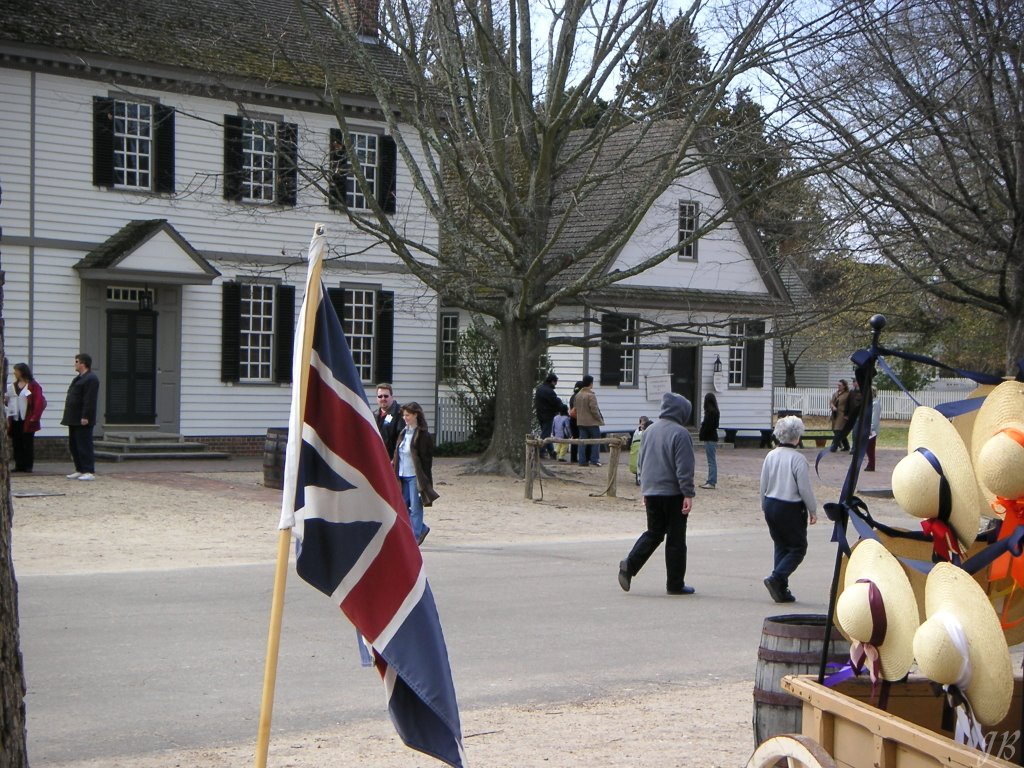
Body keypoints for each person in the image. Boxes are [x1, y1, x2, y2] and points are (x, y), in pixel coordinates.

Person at [618, 392, 697, 595]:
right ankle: (675, 583)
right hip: (673, 493)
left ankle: (630, 564)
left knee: (654, 533)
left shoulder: (650, 431)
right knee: (676, 538)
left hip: (652, 490)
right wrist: (688, 493)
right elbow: (684, 468)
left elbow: (642, 461)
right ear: (682, 412)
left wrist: (645, 488)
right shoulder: (680, 434)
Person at [761, 416, 818, 603]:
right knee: (798, 547)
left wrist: (764, 504)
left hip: (771, 502)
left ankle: (780, 587)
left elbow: (764, 483)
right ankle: (777, 578)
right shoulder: (798, 459)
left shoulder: (771, 455)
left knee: (780, 544)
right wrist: (813, 509)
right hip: (790, 506)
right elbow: (804, 488)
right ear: (798, 437)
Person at [392, 401, 439, 545]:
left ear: (416, 415)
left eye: (408, 415)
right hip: (401, 475)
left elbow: (426, 460)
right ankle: (422, 528)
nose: (405, 418)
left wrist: (425, 481)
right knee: (401, 506)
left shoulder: (423, 434)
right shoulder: (403, 432)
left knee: (415, 508)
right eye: (404, 415)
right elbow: (398, 452)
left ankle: (415, 538)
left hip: (415, 476)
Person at [61, 353, 100, 481]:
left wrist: (85, 416)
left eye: (77, 361)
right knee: (74, 444)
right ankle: (80, 468)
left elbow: (89, 399)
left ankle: (88, 470)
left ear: (83, 363)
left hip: (82, 418)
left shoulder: (91, 379)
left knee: (84, 444)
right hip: (73, 417)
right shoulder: (78, 378)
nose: (75, 364)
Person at [6, 362, 46, 473]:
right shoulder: (12, 386)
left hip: (27, 419)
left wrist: (35, 416)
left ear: (22, 372)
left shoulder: (33, 385)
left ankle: (28, 465)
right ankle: (19, 465)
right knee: (17, 443)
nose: (15, 373)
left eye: (16, 371)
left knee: (27, 443)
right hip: (15, 418)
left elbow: (38, 401)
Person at [574, 375, 604, 467]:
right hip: (592, 422)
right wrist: (599, 419)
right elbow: (594, 409)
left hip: (580, 422)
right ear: (591, 383)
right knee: (596, 440)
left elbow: (576, 408)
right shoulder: (591, 395)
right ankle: (594, 459)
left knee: (582, 441)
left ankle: (582, 460)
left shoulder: (578, 395)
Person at [534, 372, 563, 460]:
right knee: (545, 434)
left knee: (546, 433)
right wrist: (562, 407)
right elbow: (555, 402)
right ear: (552, 382)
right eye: (555, 382)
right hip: (548, 414)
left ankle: (551, 452)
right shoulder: (549, 391)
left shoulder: (539, 389)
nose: (555, 384)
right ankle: (540, 451)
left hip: (540, 413)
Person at [374, 382, 402, 459]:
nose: (383, 398)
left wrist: (395, 459)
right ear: (377, 398)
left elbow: (401, 440)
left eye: (386, 396)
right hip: (378, 458)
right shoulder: (374, 415)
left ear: (392, 397)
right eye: (380, 396)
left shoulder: (400, 414)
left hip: (393, 460)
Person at [699, 392, 720, 489]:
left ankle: (711, 481)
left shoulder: (710, 413)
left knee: (711, 461)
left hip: (709, 437)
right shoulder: (716, 412)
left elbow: (707, 426)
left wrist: (702, 433)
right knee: (711, 460)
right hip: (713, 437)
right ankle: (711, 480)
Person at [829, 379, 852, 452]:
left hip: (842, 414)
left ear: (844, 386)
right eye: (838, 385)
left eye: (840, 385)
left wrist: (848, 414)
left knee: (838, 430)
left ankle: (834, 446)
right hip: (835, 415)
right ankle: (846, 446)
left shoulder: (847, 394)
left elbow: (850, 405)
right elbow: (831, 402)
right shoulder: (836, 393)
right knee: (836, 430)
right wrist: (832, 406)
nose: (838, 386)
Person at [628, 416, 652, 485]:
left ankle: (644, 480)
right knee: (638, 465)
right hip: (637, 451)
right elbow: (633, 441)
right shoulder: (637, 431)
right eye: (642, 424)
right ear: (640, 424)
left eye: (645, 424)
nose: (643, 426)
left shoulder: (648, 431)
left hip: (645, 451)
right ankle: (638, 479)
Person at [865, 388, 881, 472]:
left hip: (872, 430)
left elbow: (874, 418)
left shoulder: (875, 404)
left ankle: (871, 464)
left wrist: (871, 428)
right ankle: (870, 463)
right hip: (867, 427)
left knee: (870, 447)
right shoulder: (870, 403)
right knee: (867, 447)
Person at [568, 380, 584, 464]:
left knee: (574, 438)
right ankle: (580, 457)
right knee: (580, 438)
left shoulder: (572, 396)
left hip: (572, 420)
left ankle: (573, 457)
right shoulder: (579, 397)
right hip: (578, 419)